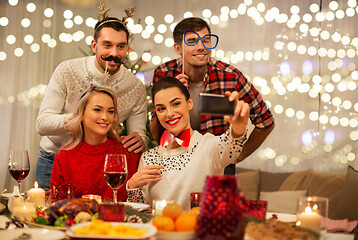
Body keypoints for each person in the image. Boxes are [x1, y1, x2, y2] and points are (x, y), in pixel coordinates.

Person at [36, 7, 147, 189]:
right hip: (54, 157)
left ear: (128, 48)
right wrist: (82, 119)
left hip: (101, 166)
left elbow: (138, 134)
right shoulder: (67, 70)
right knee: (49, 215)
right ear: (94, 45)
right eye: (107, 45)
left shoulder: (135, 87)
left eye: (121, 46)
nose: (115, 53)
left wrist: (141, 138)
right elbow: (42, 124)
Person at [151, 17, 275, 174]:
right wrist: (171, 92)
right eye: (192, 41)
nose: (202, 46)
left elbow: (266, 122)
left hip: (217, 163)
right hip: (176, 161)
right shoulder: (164, 73)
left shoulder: (231, 77)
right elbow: (156, 131)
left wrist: (239, 155)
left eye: (206, 40)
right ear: (177, 48)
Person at [126, 77, 249, 210]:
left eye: (176, 104)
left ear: (189, 102)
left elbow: (233, 144)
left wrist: (238, 126)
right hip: (161, 228)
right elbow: (139, 211)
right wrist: (132, 185)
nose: (170, 113)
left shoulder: (209, 146)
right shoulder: (148, 157)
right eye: (161, 109)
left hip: (201, 229)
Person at [51, 86, 140, 201]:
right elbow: (58, 204)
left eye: (110, 111)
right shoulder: (64, 156)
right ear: (81, 114)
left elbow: (134, 202)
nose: (105, 117)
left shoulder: (127, 152)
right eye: (97, 110)